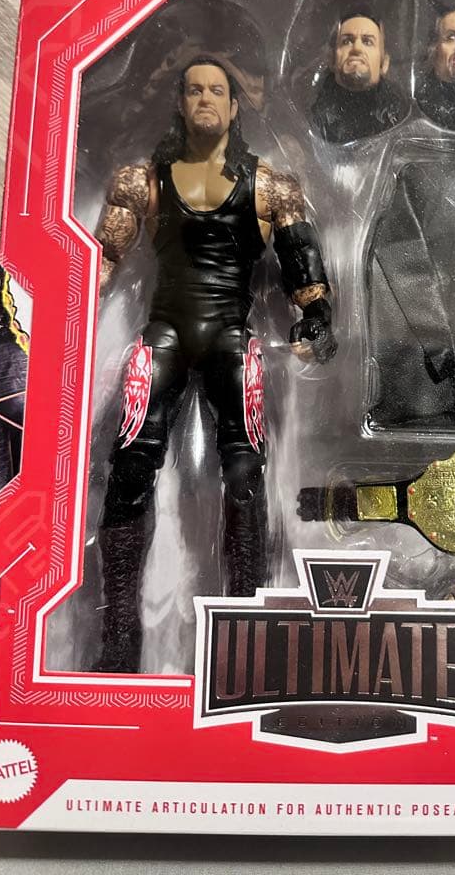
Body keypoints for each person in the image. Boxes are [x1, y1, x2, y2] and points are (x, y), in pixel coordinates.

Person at [94, 56, 336, 672]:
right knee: (129, 471)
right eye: (195, 90)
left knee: (246, 475)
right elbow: (97, 265)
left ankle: (248, 637)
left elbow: (305, 269)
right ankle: (118, 641)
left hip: (232, 336)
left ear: (233, 106)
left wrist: (316, 319)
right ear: (180, 102)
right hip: (164, 335)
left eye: (216, 90)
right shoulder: (142, 181)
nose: (205, 99)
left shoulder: (271, 187)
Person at [310, 9, 406, 144]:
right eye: (347, 41)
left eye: (368, 42)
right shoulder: (315, 111)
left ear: (384, 63)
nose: (357, 48)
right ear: (332, 60)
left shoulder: (399, 112)